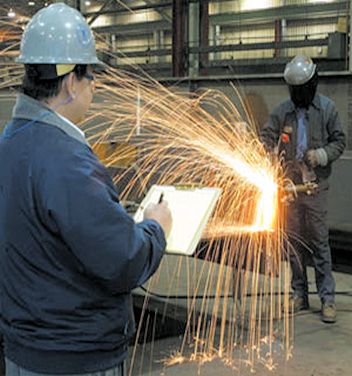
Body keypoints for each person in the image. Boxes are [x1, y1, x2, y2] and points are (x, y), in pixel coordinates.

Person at [0, 3, 172, 375]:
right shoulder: (66, 160)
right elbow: (122, 260)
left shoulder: (10, 142)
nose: (93, 85)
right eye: (90, 74)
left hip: (23, 350)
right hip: (74, 358)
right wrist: (156, 228)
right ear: (69, 82)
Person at [260, 54, 345, 323]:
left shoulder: (328, 109)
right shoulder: (282, 111)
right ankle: (299, 294)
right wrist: (269, 152)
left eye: (301, 90)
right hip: (290, 189)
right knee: (294, 245)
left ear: (311, 85)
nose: (297, 95)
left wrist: (322, 155)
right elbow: (266, 136)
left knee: (320, 243)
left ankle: (327, 299)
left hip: (315, 187)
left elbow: (339, 141)